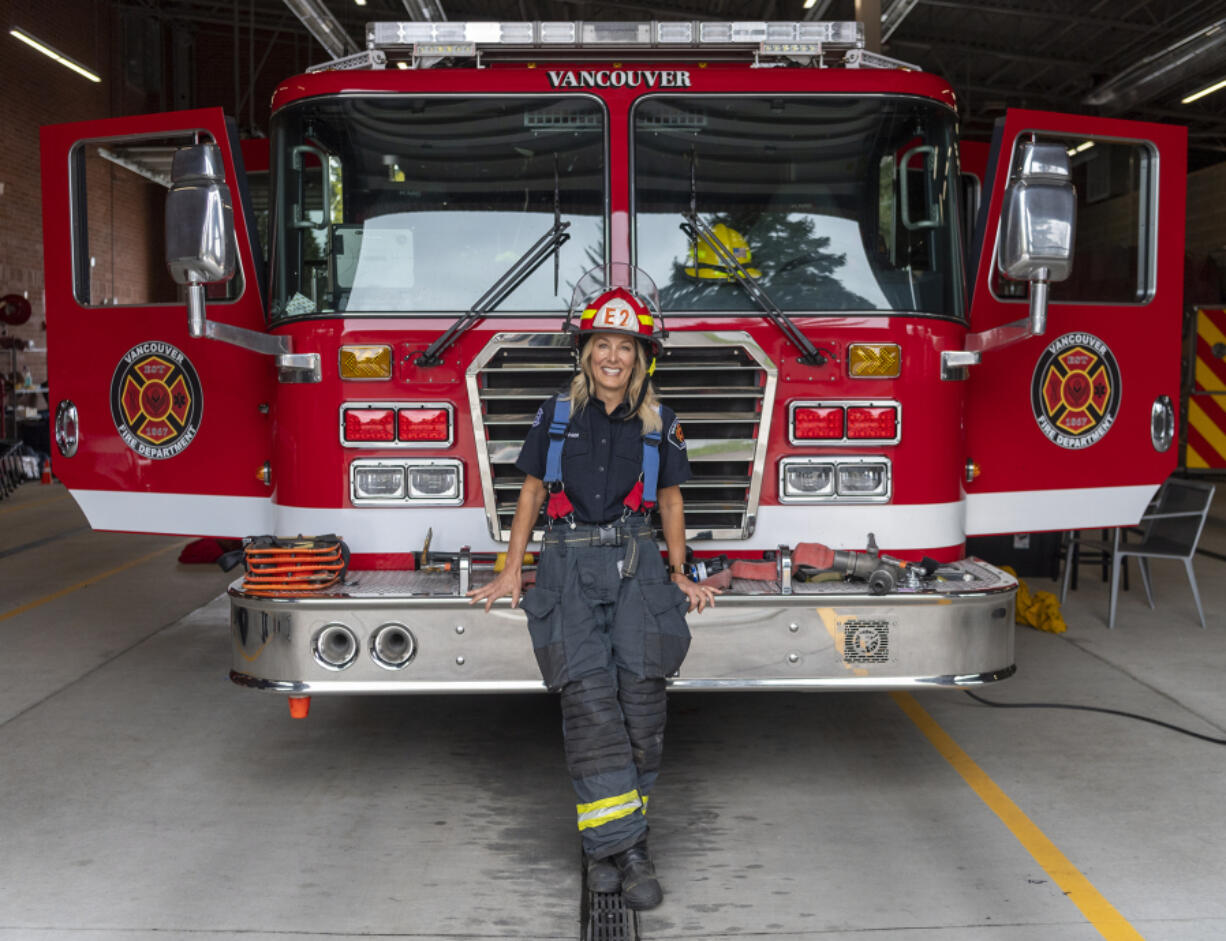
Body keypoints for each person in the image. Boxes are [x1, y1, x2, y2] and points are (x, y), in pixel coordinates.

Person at [469, 267, 719, 911]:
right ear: (586, 354)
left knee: (642, 709)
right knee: (590, 711)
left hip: (637, 566)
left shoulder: (661, 422)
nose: (613, 356)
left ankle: (605, 847)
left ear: (641, 358)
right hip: (566, 570)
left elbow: (670, 503)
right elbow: (527, 495)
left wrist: (678, 573)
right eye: (602, 345)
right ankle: (628, 853)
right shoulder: (555, 418)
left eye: (625, 346)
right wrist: (509, 567)